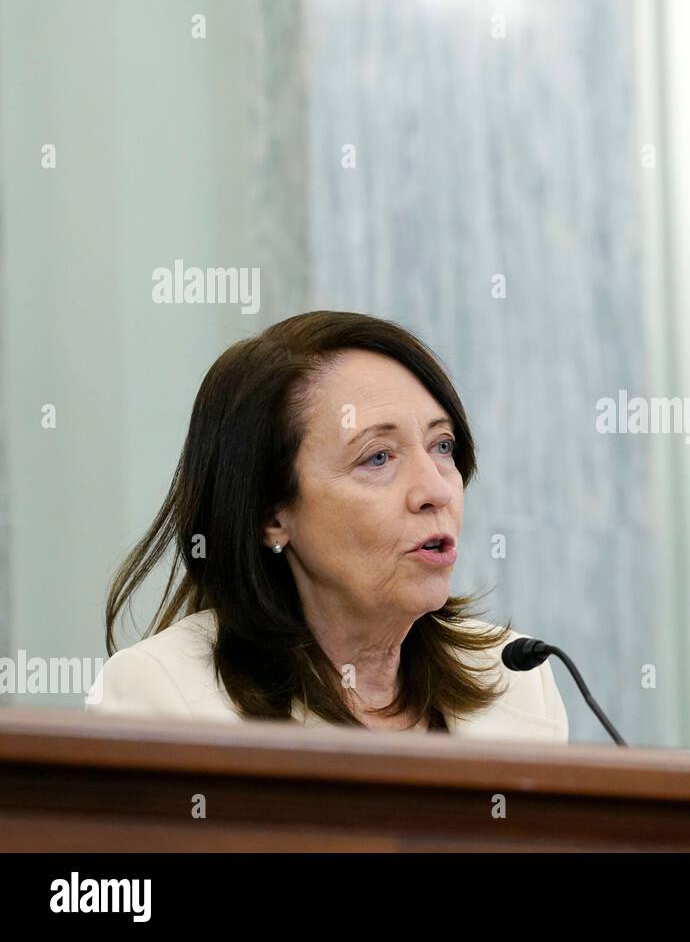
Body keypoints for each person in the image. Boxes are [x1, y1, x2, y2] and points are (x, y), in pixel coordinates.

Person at [87, 310, 567, 741]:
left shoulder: (517, 676)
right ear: (272, 516)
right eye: (377, 458)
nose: (436, 490)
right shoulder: (164, 697)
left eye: (442, 446)